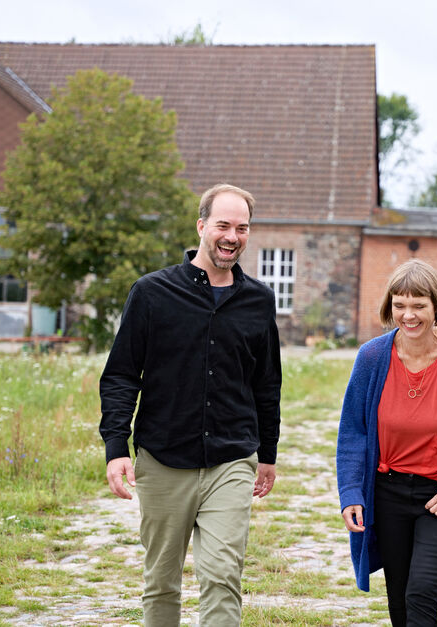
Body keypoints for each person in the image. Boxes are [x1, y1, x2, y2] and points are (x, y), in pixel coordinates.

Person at [99, 183, 281, 627]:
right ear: (201, 226)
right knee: (162, 581)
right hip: (163, 459)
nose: (232, 236)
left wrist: (268, 456)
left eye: (242, 228)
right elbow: (122, 375)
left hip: (231, 459)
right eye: (223, 225)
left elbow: (267, 383)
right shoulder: (151, 294)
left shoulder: (259, 300)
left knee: (222, 576)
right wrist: (116, 447)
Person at [336, 259, 437, 626]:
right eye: (399, 305)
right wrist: (351, 493)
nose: (408, 315)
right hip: (387, 493)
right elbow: (353, 431)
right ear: (389, 306)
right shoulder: (372, 357)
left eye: (418, 306)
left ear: (436, 307)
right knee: (399, 597)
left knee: (422, 590)